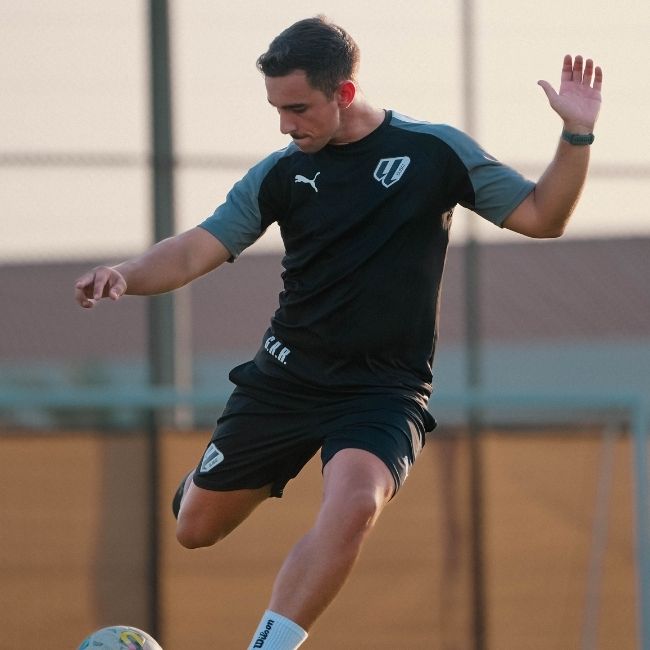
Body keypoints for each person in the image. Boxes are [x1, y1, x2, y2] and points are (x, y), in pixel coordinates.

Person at [74, 16, 603, 649]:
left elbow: (543, 216)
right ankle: (198, 488)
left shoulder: (434, 153)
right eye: (275, 108)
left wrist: (576, 133)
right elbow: (195, 251)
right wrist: (123, 273)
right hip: (285, 380)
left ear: (344, 94)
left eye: (297, 108)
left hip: (384, 391)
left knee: (355, 505)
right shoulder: (279, 173)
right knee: (195, 529)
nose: (285, 125)